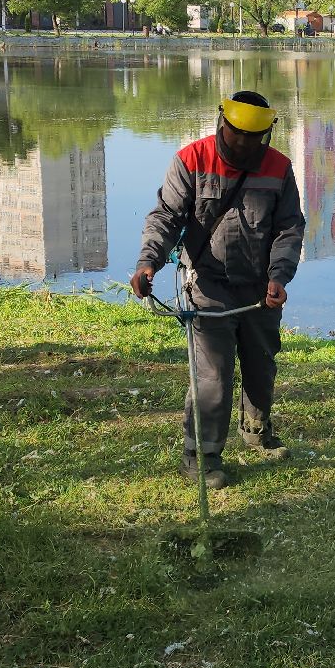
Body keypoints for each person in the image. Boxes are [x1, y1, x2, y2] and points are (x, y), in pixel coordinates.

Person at [132, 91, 305, 490]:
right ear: (221, 122)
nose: (243, 144)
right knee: (212, 376)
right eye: (236, 134)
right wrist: (148, 262)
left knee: (261, 365)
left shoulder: (279, 168)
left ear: (267, 133)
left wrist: (279, 276)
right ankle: (202, 455)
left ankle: (257, 431)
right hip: (207, 287)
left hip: (261, 290)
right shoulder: (191, 159)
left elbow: (289, 228)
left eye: (253, 138)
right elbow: (165, 218)